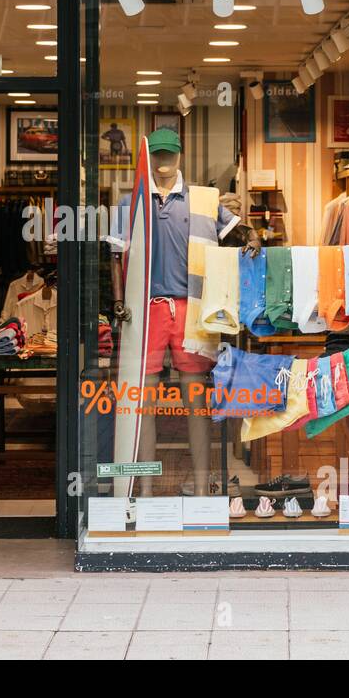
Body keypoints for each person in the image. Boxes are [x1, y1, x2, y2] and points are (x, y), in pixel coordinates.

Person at [107, 128, 262, 496]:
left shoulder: (204, 201)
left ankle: (203, 484)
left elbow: (238, 232)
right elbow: (115, 257)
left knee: (195, 400)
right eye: (157, 155)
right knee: (142, 403)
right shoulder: (131, 204)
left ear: (180, 156)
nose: (162, 163)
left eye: (168, 155)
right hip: (145, 310)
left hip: (192, 310)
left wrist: (255, 238)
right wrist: (118, 301)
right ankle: (142, 488)